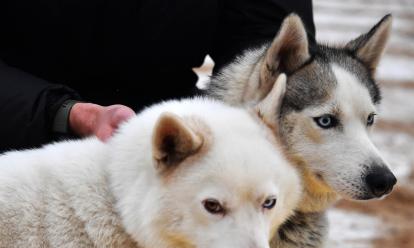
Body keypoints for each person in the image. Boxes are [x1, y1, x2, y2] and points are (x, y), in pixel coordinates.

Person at [0, 0, 315, 153]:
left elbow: (269, 39)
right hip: (18, 137)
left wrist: (237, 122)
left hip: (167, 137)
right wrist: (64, 113)